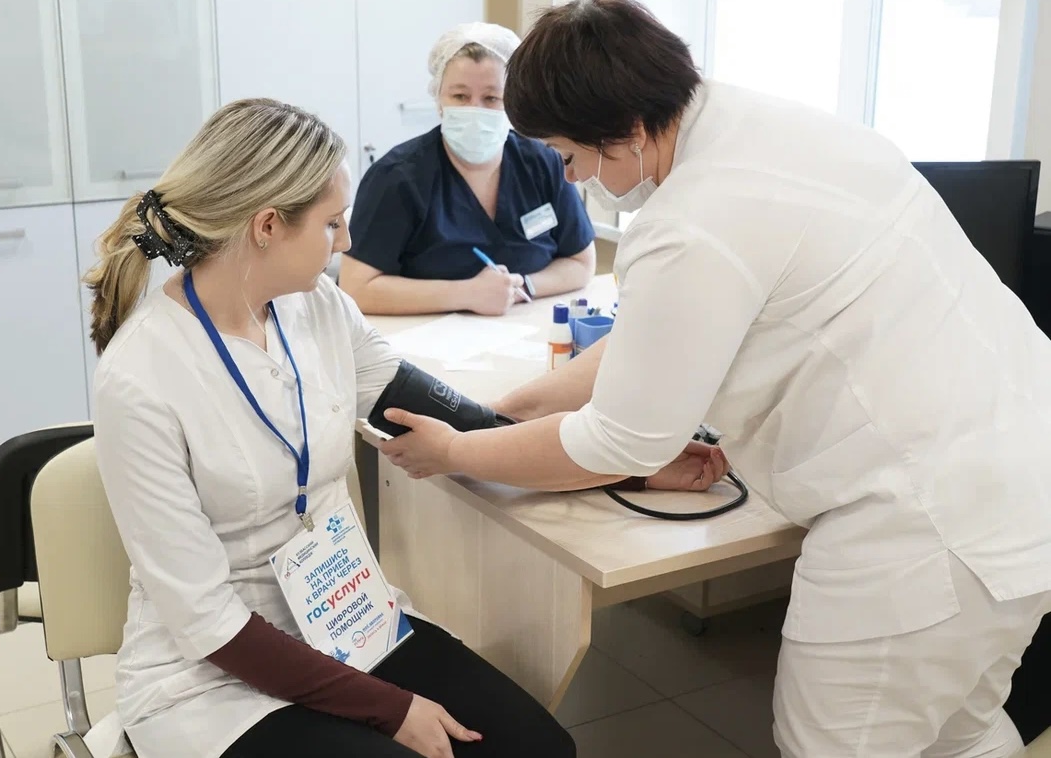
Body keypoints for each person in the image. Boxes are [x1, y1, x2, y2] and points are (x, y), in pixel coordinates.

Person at [374, 1, 1051, 756]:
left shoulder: (692, 218)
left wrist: (456, 452)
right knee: (962, 731)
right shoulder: (779, 127)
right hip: (1024, 471)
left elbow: (619, 443)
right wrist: (517, 406)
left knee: (835, 743)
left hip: (928, 522)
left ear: (627, 129)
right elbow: (658, 336)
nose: (572, 175)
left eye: (569, 154)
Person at [83, 98, 575, 758]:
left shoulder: (318, 308)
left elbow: (449, 414)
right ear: (267, 226)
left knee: (540, 749)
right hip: (212, 675)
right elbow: (206, 621)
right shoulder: (140, 377)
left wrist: (613, 461)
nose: (345, 242)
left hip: (345, 617)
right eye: (331, 223)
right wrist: (391, 709)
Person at [338, 22, 596, 317]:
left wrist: (519, 287)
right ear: (439, 100)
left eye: (491, 98)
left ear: (514, 102)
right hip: (424, 337)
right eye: (460, 96)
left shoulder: (543, 163)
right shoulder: (397, 177)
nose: (475, 109)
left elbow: (581, 263)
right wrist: (467, 294)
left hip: (526, 329)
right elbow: (356, 288)